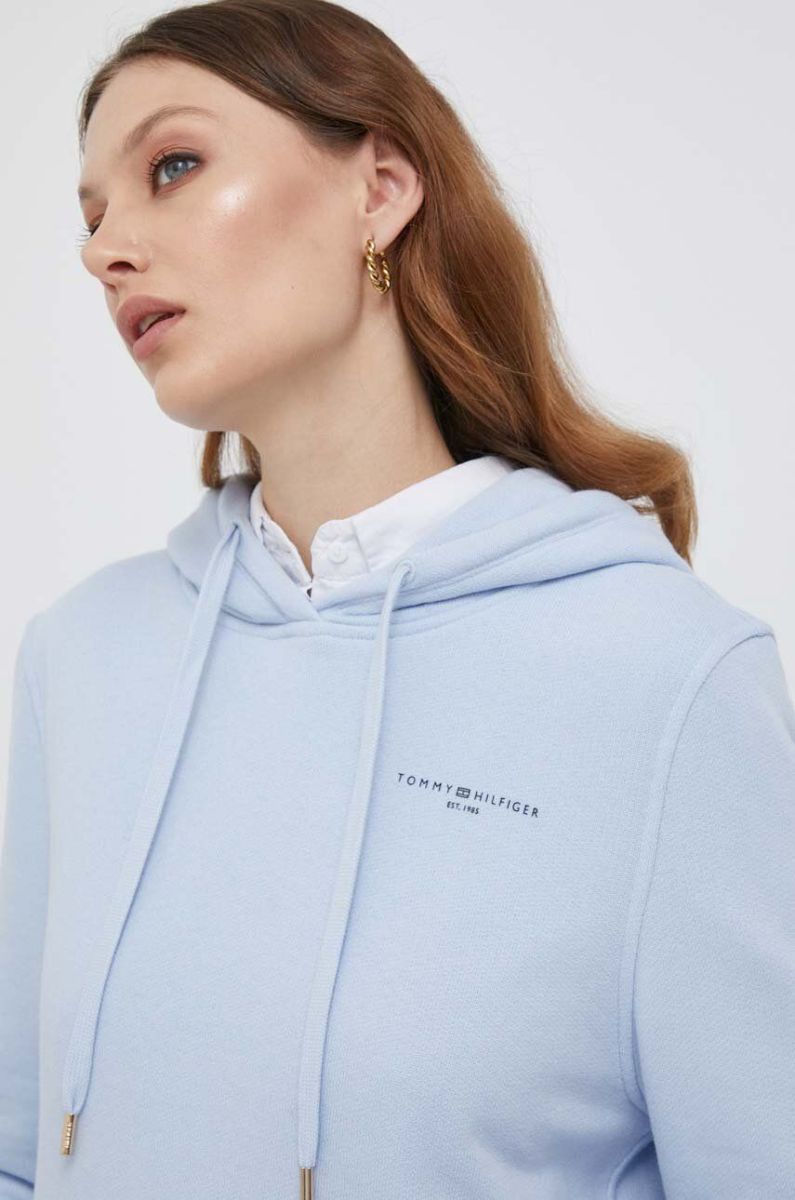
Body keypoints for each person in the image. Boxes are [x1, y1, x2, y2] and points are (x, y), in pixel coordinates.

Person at [2, 1, 794, 1197]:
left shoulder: (669, 680)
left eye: (172, 166)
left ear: (378, 191)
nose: (104, 249)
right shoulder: (82, 658)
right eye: (94, 214)